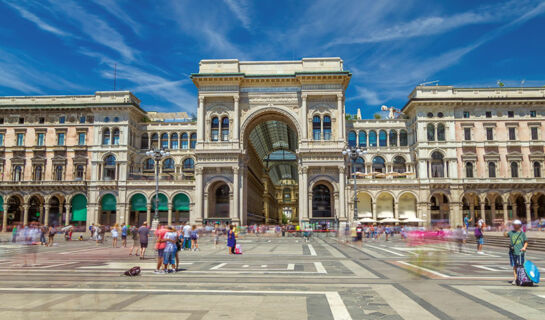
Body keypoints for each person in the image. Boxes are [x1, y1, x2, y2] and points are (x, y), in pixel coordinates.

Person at [504, 220, 528, 285]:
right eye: (514, 225)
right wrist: (505, 229)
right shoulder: (511, 232)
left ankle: (522, 278)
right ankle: (516, 279)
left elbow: (526, 242)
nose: (515, 226)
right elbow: (505, 235)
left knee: (521, 266)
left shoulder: (522, 233)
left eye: (516, 225)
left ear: (520, 226)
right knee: (514, 266)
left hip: (520, 252)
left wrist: (524, 247)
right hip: (512, 252)